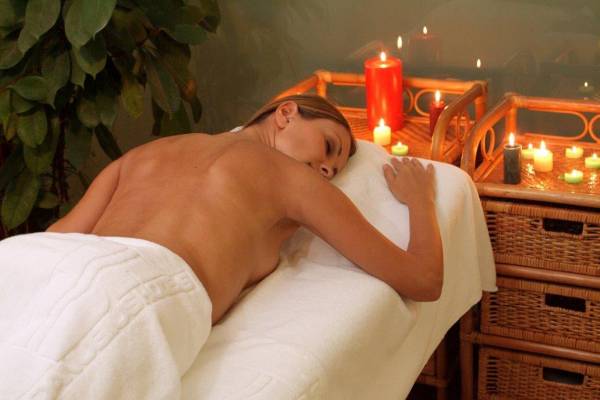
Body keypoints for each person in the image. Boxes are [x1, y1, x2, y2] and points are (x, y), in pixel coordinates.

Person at [46, 94, 443, 325]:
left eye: (334, 171)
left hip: (59, 279)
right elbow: (424, 279)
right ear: (285, 114)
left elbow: (54, 243)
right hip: (140, 299)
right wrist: (421, 200)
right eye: (328, 147)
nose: (326, 170)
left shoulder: (145, 153)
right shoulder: (293, 178)